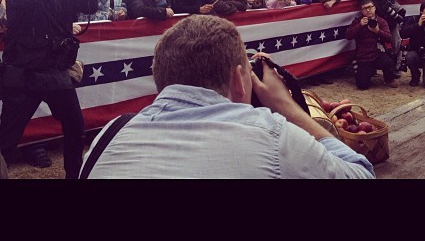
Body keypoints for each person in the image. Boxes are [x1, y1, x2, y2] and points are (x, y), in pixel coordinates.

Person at [80, 14, 374, 178]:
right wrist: (287, 107)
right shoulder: (273, 136)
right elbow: (361, 175)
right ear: (238, 79)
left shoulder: (109, 136)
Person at [0, 0, 98, 179]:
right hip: (25, 72)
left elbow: (88, 7)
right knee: (7, 138)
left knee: (75, 127)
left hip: (54, 71)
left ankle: (74, 177)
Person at [345, 0, 398, 90]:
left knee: (388, 62)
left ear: (374, 8)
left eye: (370, 7)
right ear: (361, 11)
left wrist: (377, 31)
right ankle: (362, 70)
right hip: (363, 56)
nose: (368, 10)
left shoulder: (381, 21)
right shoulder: (358, 21)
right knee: (362, 86)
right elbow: (348, 35)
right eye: (365, 8)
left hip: (378, 53)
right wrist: (359, 25)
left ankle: (389, 79)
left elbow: (389, 38)